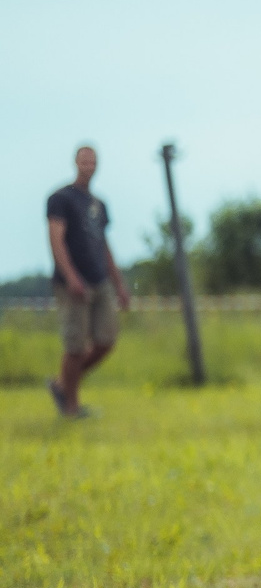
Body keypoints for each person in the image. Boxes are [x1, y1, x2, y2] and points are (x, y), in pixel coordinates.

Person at [45, 145, 132, 421]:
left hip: (100, 279)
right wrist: (71, 278)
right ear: (75, 162)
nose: (88, 165)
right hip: (73, 282)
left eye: (92, 160)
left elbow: (103, 244)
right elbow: (56, 239)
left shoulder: (98, 204)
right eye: (84, 160)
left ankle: (62, 384)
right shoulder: (60, 199)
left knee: (105, 341)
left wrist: (119, 283)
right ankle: (71, 408)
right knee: (75, 346)